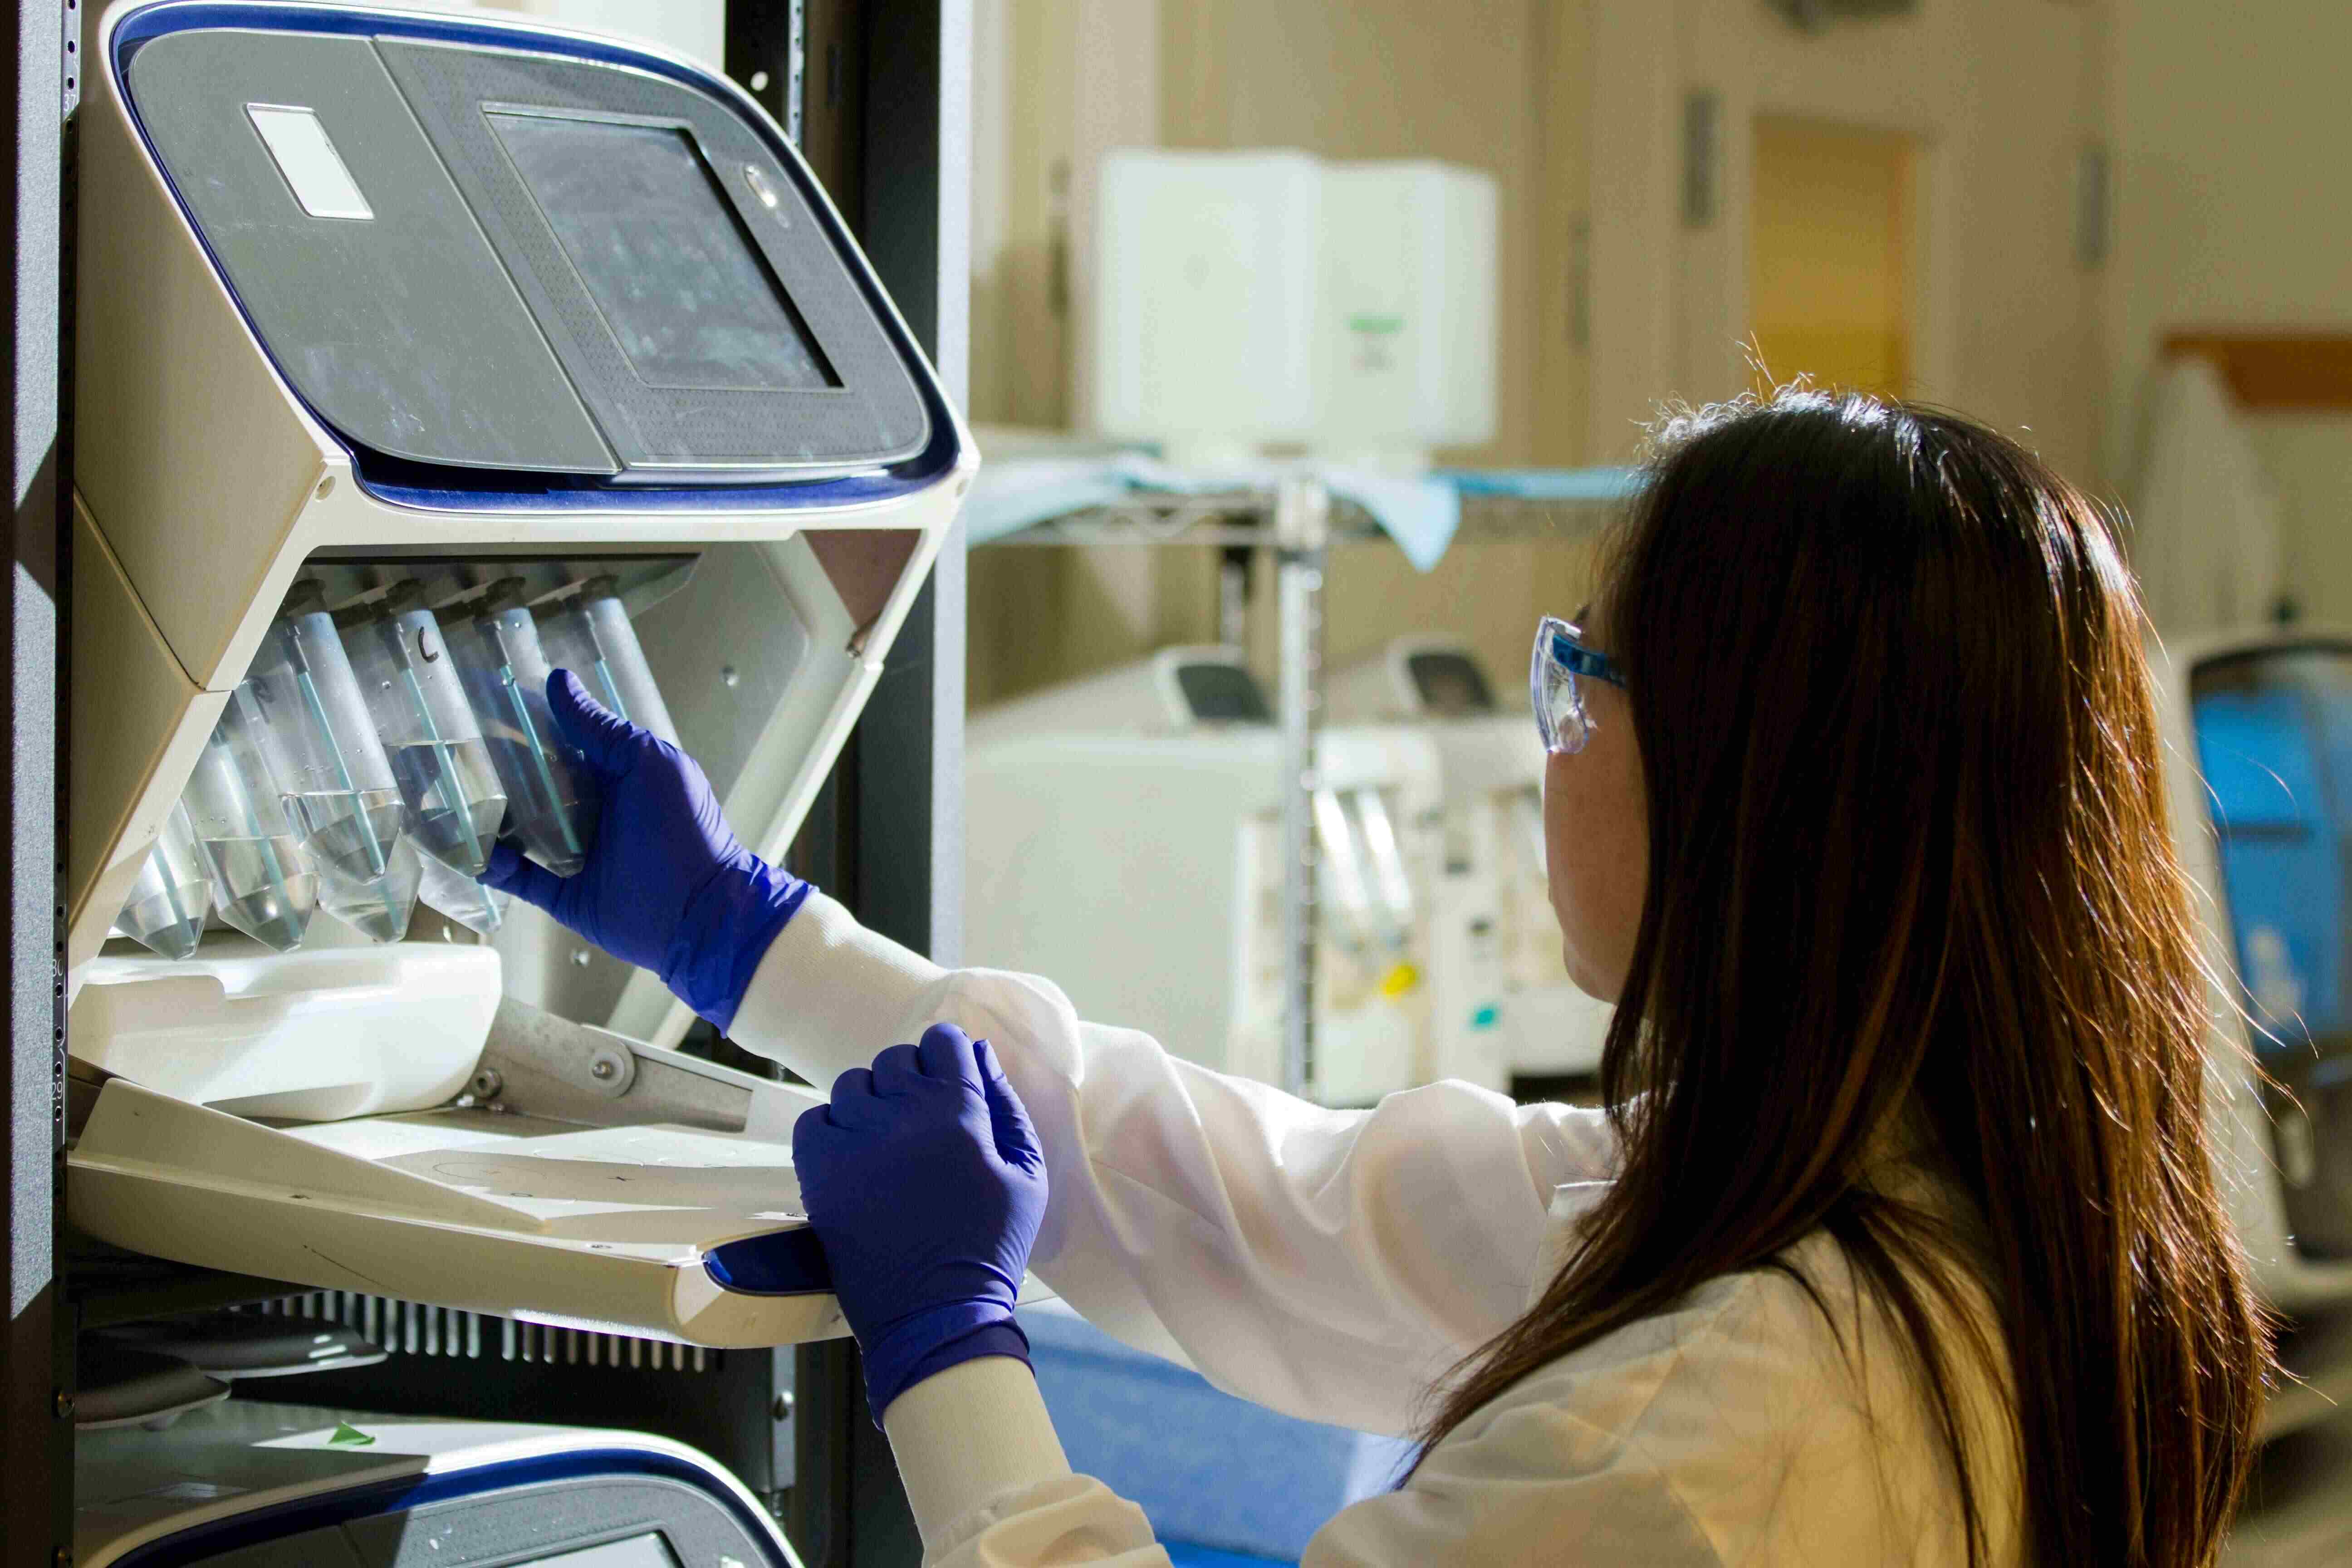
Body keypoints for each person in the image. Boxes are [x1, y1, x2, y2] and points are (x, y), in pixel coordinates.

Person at [485, 389, 2270, 1568]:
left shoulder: (1715, 1441)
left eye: (1582, 682)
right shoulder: (1937, 1219)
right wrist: (756, 941)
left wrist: (956, 1358)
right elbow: (1272, 1207)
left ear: (1750, 786)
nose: (1549, 740)